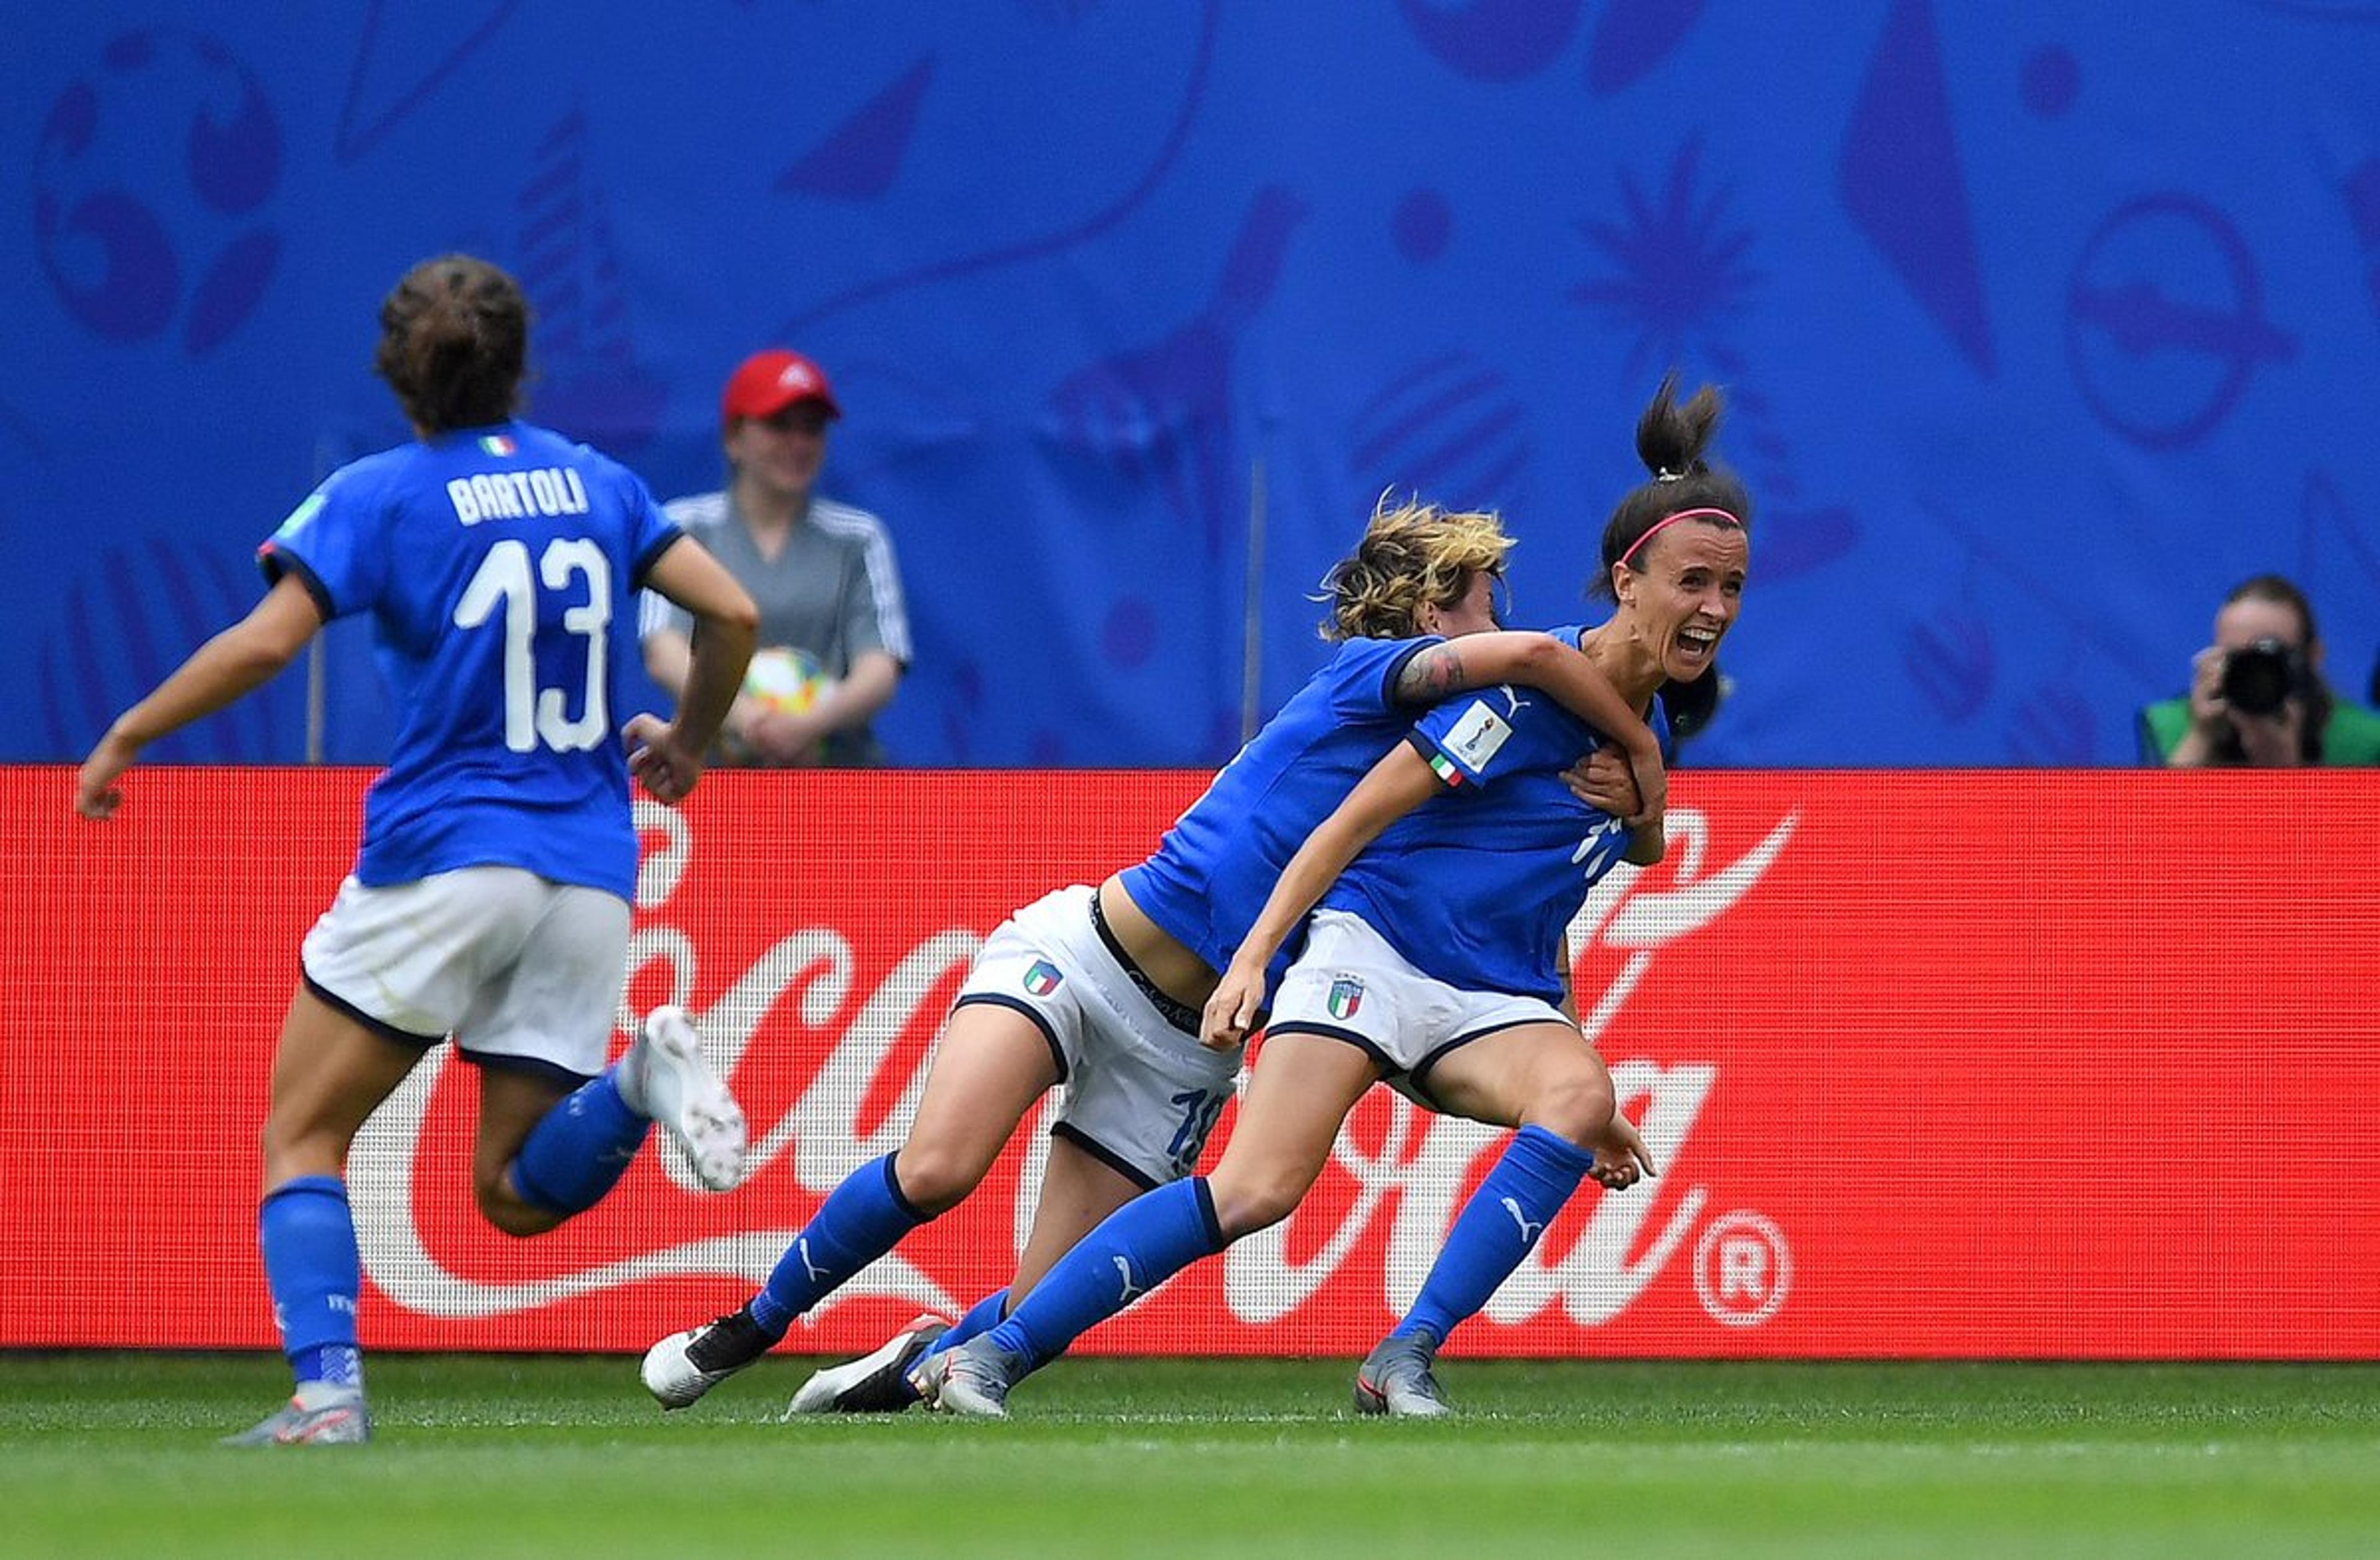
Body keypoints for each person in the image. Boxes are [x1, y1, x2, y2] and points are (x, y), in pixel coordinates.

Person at [637, 496, 1670, 1414]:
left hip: (1185, 1048)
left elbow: (1509, 913)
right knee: (941, 1166)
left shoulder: (1465, 766)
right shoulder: (1376, 675)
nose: (1507, 623)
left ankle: (920, 1360)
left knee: (1041, 1299)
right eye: (1488, 601)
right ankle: (747, 1328)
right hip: (1085, 955)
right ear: (1431, 611)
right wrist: (1646, 753)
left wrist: (1581, 1070)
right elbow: (1541, 658)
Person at [921, 375, 1747, 1419]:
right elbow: (1348, 822)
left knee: (1579, 1098)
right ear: (1627, 582)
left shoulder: (1654, 736)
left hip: (1485, 997)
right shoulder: (1518, 700)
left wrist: (1631, 855)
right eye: (1692, 581)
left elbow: (1557, 898)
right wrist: (1262, 953)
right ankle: (989, 1355)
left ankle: (1402, 1358)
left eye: (1731, 587)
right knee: (1259, 1190)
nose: (1714, 608)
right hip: (1372, 956)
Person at [73, 254, 762, 1446]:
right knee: (510, 1194)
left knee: (302, 1132)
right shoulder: (598, 484)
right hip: (592, 865)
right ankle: (643, 1079)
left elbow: (264, 645)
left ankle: (326, 1392)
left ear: (399, 375)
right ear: (517, 362)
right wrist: (692, 744)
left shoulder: (380, 493)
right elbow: (736, 612)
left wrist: (131, 728)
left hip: (447, 854)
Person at [640, 348, 910, 766]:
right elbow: (665, 651)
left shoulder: (859, 537)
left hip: (837, 782)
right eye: (778, 426)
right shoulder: (685, 527)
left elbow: (880, 666)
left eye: (812, 428)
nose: (797, 444)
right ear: (734, 438)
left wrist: (806, 726)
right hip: (713, 781)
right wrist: (747, 719)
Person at [2138, 573, 2380, 767]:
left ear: (2314, 656)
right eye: (2236, 658)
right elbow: (2157, 826)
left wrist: (2284, 768)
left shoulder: (2365, 744)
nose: (2255, 673)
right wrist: (2201, 737)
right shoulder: (2170, 726)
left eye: (2270, 657)